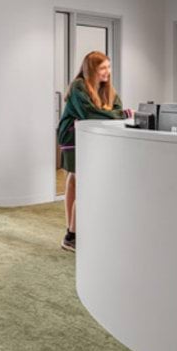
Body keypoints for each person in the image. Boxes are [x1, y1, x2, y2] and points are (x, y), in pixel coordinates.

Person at [56, 51, 127, 252]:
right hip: (72, 138)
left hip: (89, 137)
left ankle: (71, 230)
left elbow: (115, 112)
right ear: (92, 69)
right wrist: (115, 114)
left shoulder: (108, 90)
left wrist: (113, 114)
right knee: (80, 182)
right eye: (103, 68)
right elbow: (90, 113)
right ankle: (72, 236)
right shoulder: (79, 85)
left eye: (109, 67)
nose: (107, 71)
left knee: (73, 180)